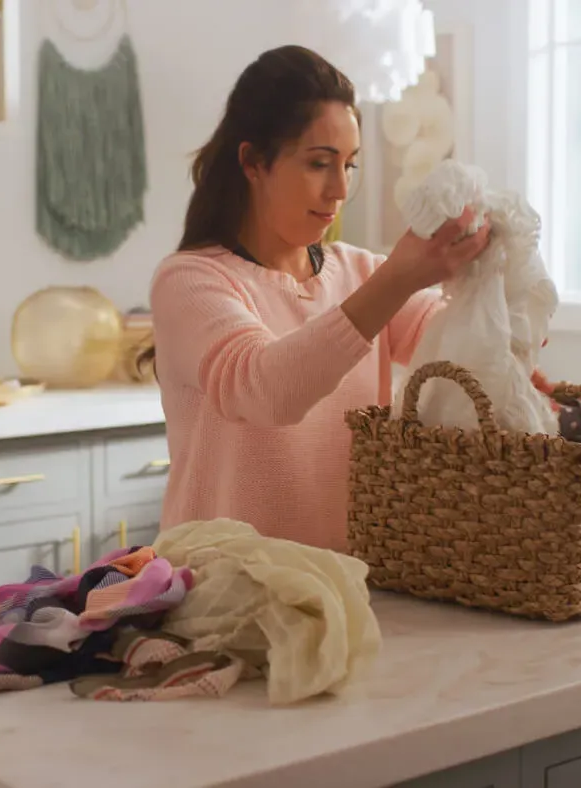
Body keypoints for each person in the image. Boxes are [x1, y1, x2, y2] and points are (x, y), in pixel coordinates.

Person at [142, 45, 491, 552]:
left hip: (344, 593)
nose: (339, 190)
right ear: (253, 162)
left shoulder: (358, 271)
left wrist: (503, 298)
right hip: (221, 594)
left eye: (349, 165)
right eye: (319, 164)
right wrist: (398, 279)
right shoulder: (189, 282)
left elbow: (458, 347)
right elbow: (265, 390)